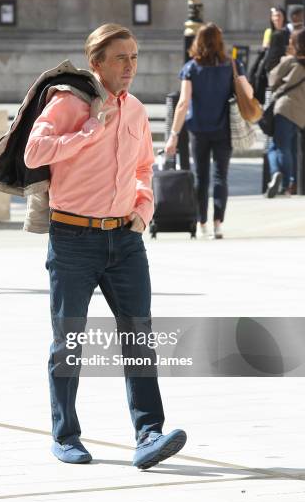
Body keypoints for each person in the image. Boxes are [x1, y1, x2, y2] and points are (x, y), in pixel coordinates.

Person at [24, 23, 187, 469]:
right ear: (96, 63)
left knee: (139, 336)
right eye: (121, 58)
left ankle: (149, 434)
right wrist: (89, 131)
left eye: (134, 57)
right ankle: (66, 436)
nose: (130, 66)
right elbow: (34, 152)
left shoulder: (134, 109)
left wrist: (144, 208)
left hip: (125, 240)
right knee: (69, 341)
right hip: (73, 237)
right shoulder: (70, 101)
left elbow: (143, 166)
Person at [165, 23, 253, 239]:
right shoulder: (232, 64)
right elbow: (248, 93)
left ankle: (202, 222)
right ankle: (218, 224)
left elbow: (183, 102)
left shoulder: (191, 68)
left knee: (201, 177)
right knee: (221, 177)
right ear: (219, 42)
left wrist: (174, 135)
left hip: (198, 129)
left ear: (198, 42)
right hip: (224, 129)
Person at [265, 28, 305, 198]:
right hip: (301, 113)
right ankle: (291, 183)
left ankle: (279, 176)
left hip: (284, 107)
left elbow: (272, 79)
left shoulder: (290, 61)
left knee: (275, 147)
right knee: (290, 148)